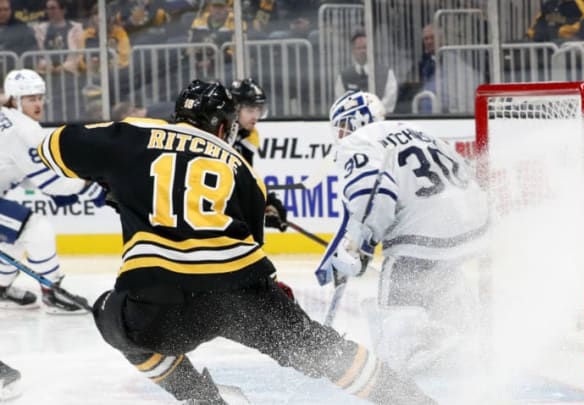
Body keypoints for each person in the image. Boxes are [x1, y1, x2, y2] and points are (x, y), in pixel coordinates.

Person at [37, 79, 437, 404]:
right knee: (318, 349)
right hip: (239, 298)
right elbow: (251, 242)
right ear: (225, 127)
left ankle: (201, 399)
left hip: (159, 303)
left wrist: (114, 177)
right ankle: (410, 399)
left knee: (110, 316)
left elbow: (51, 148)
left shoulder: (135, 134)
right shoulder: (241, 166)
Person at [317, 91, 486, 375]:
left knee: (394, 348)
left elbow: (374, 195)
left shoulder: (358, 142)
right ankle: (461, 334)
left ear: (357, 120)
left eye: (343, 126)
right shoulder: (415, 130)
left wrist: (361, 247)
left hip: (424, 237)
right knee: (440, 275)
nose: (341, 134)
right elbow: (467, 171)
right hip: (473, 228)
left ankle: (429, 344)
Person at [0, 69, 100, 313]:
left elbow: (22, 172)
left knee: (13, 235)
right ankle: (52, 291)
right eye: (30, 99)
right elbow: (50, 182)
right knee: (35, 228)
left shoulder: (9, 118)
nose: (38, 104)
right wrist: (89, 188)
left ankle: (1, 288)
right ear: (15, 99)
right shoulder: (21, 130)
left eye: (39, 97)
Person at [228, 77, 288, 232]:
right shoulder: (219, 133)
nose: (255, 116)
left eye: (258, 110)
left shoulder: (249, 135)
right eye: (250, 110)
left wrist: (265, 202)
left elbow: (244, 178)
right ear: (235, 108)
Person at [334, 29, 398, 113]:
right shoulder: (343, 76)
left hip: (381, 122)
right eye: (358, 48)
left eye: (365, 47)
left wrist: (373, 113)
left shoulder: (387, 73)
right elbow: (341, 102)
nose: (362, 51)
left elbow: (389, 101)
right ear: (353, 51)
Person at [33, 0, 84, 74]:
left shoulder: (76, 28)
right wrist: (46, 65)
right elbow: (37, 53)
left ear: (63, 10)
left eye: (53, 8)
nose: (49, 11)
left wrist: (64, 67)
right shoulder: (39, 29)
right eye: (47, 8)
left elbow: (80, 53)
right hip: (46, 73)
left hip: (69, 73)